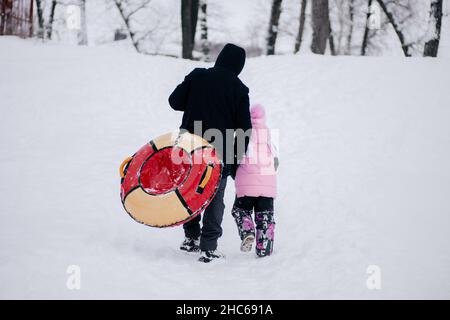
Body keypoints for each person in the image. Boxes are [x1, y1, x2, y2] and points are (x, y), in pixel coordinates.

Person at [168, 43, 252, 263]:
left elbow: (174, 101)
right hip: (220, 152)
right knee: (215, 198)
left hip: (189, 147)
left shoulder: (198, 76)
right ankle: (209, 248)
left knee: (190, 191)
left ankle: (190, 239)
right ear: (239, 66)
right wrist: (234, 160)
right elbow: (244, 130)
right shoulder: (239, 89)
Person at [231, 104, 278, 257]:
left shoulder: (243, 133)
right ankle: (265, 249)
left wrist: (234, 174)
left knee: (240, 210)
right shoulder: (270, 135)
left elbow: (234, 158)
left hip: (246, 185)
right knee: (265, 217)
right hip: (267, 187)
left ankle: (247, 231)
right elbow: (276, 162)